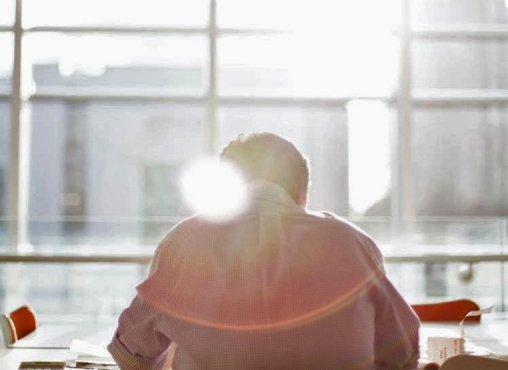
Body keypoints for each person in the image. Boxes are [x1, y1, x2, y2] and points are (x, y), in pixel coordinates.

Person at [108, 132, 420, 370]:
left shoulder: (185, 242)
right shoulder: (353, 243)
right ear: (302, 195)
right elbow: (403, 352)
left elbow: (132, 352)